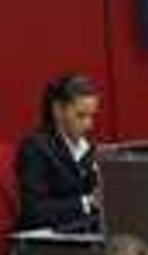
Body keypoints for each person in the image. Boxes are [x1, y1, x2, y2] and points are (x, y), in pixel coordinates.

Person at [16, 74, 100, 232]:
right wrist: (88, 203)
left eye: (92, 116)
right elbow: (34, 211)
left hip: (85, 232)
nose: (89, 125)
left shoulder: (89, 148)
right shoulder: (35, 148)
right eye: (81, 116)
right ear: (57, 110)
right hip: (49, 240)